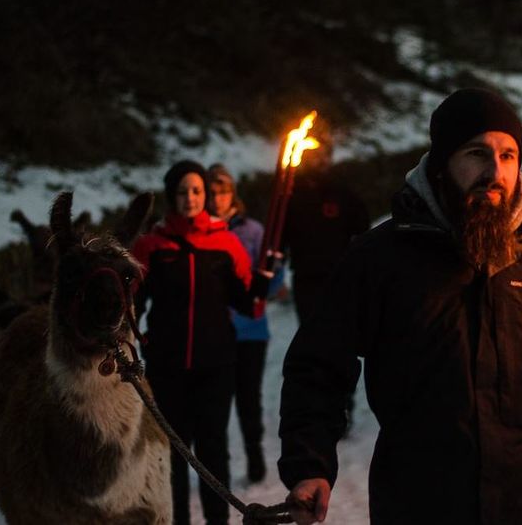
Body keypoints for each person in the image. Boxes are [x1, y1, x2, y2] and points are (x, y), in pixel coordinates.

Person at [277, 88, 522, 525]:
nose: (495, 171)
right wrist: (310, 465)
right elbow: (318, 366)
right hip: (421, 506)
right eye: (477, 154)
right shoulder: (381, 259)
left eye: (507, 155)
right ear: (443, 164)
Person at [133, 160, 268, 525]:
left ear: (205, 195)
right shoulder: (151, 246)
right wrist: (138, 337)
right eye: (182, 191)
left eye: (196, 191)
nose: (190, 198)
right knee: (172, 455)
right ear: (171, 196)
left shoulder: (225, 242)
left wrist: (262, 282)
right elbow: (131, 302)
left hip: (216, 367)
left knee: (213, 453)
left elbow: (248, 305)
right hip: (166, 369)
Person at [207, 163, 284, 483]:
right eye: (212, 192)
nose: (217, 198)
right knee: (216, 402)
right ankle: (218, 466)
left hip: (251, 330)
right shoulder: (202, 232)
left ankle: (255, 459)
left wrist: (274, 268)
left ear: (232, 194)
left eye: (223, 191)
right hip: (213, 332)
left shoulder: (252, 231)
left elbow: (272, 284)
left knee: (248, 399)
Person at [281, 129, 371, 325]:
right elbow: (279, 240)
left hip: (339, 277)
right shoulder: (290, 194)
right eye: (316, 155)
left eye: (325, 155)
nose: (321, 160)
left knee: (341, 334)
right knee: (310, 333)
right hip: (306, 278)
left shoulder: (343, 193)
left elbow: (363, 231)